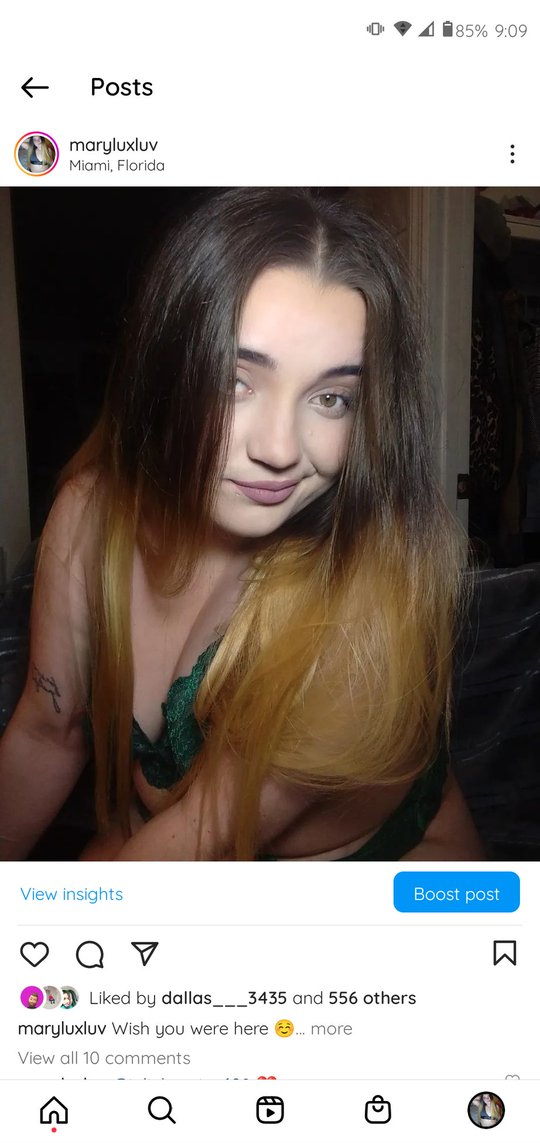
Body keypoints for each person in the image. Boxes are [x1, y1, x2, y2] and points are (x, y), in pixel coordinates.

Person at [0, 188, 484, 862]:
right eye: (235, 381)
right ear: (164, 366)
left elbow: (207, 838)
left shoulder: (363, 598)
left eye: (332, 398)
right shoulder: (89, 515)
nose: (280, 449)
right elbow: (48, 731)